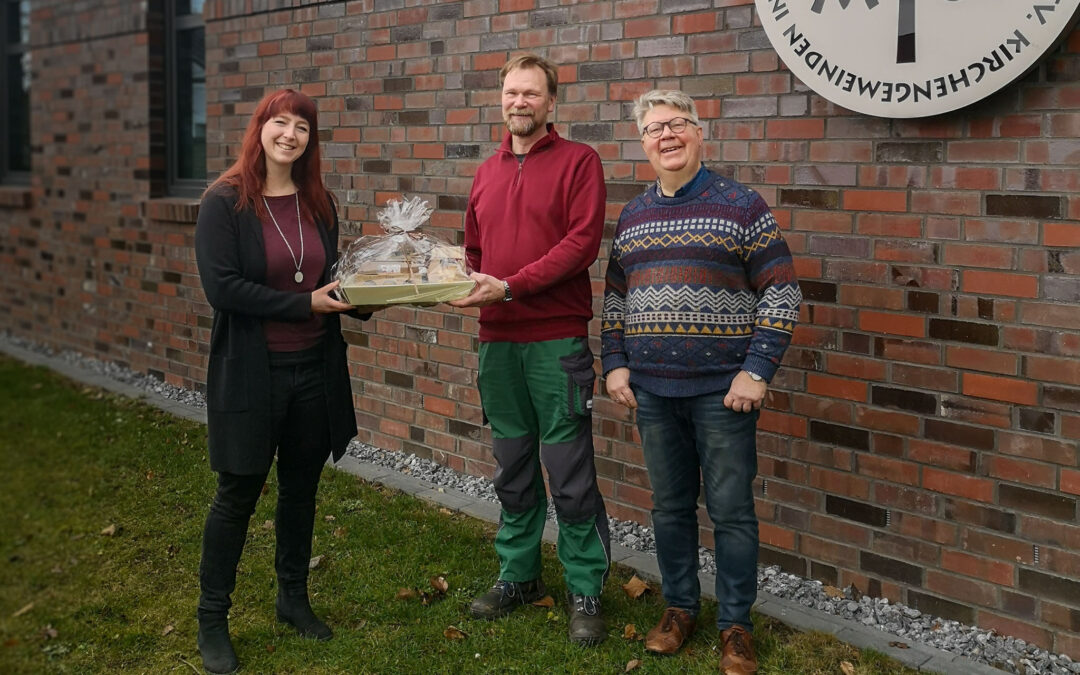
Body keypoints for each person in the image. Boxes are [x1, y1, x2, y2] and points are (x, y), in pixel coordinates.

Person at [601, 90, 802, 674]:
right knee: (669, 508)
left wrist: (756, 370)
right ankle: (680, 609)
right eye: (653, 128)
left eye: (677, 124)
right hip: (653, 392)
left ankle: (736, 625)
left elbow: (782, 291)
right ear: (642, 143)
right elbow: (616, 299)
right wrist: (614, 362)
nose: (666, 135)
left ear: (698, 133)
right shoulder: (634, 214)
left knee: (732, 511)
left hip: (723, 393)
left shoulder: (741, 205)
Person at [194, 88, 369, 674]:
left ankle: (293, 598)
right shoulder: (225, 202)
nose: (290, 135)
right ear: (260, 129)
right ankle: (212, 618)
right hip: (251, 374)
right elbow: (223, 290)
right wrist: (307, 304)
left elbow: (333, 281)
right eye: (280, 123)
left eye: (301, 127)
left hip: (314, 372)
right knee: (237, 494)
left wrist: (378, 293)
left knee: (301, 489)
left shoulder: (319, 202)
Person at [449, 53, 611, 646]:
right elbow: (472, 249)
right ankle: (517, 574)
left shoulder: (579, 162)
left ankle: (585, 587)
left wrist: (512, 285)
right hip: (498, 344)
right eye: (511, 93)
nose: (520, 102)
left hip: (555, 342)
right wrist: (454, 282)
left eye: (531, 94)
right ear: (502, 101)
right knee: (513, 469)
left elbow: (582, 243)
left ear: (551, 104)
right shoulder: (486, 172)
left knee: (568, 472)